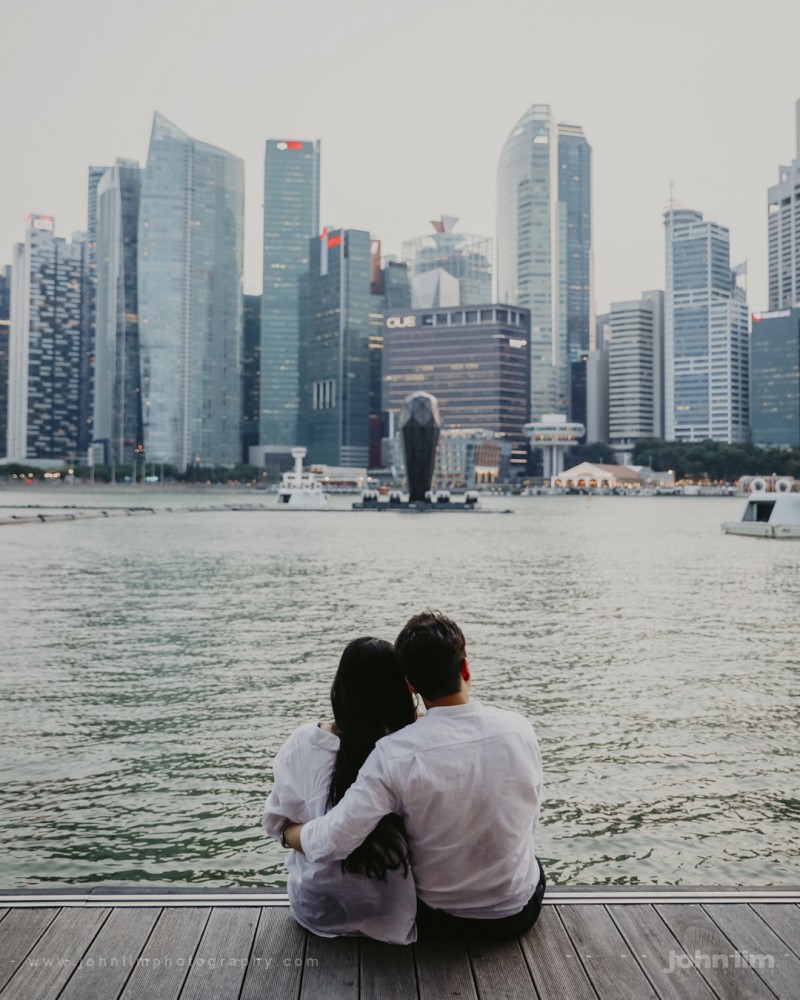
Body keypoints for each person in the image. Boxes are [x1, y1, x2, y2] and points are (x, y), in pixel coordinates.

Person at [282, 611, 545, 941]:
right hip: (518, 911)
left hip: (440, 924)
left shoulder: (394, 754)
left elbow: (333, 840)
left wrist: (288, 832)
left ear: (411, 685)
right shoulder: (519, 729)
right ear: (465, 668)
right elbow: (529, 818)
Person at [263, 637, 418, 945]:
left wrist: (293, 833)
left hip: (317, 908)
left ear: (340, 687)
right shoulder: (406, 748)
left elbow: (277, 824)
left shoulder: (303, 742)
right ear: (399, 690)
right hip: (392, 911)